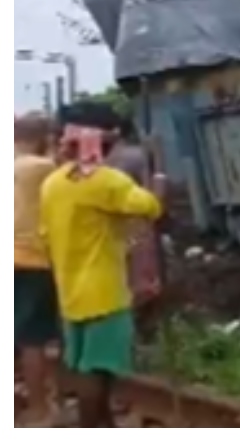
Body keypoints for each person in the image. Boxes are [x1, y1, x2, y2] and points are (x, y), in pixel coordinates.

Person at [40, 109, 167, 428]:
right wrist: (160, 181)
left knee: (85, 365)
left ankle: (102, 424)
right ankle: (94, 427)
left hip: (70, 290)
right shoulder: (104, 180)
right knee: (99, 369)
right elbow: (149, 206)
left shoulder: (53, 183)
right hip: (105, 291)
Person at [14, 113, 62, 426]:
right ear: (43, 136)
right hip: (32, 259)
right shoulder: (39, 168)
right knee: (33, 336)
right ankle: (39, 409)